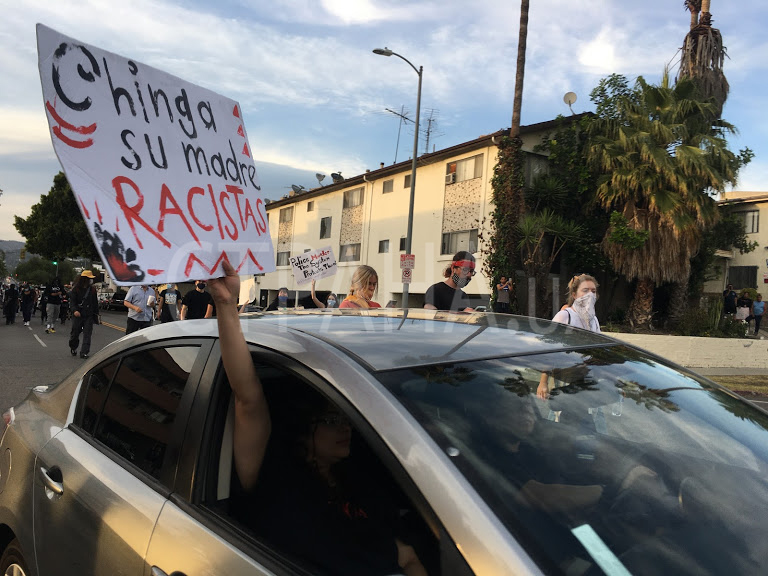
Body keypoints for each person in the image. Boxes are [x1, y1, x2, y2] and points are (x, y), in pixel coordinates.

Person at [208, 261, 426, 576]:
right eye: (331, 420)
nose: (345, 427)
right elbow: (248, 398)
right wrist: (227, 306)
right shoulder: (274, 474)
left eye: (345, 418)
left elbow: (405, 553)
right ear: (303, 425)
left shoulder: (358, 477)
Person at [538, 274, 600, 401]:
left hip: (586, 378)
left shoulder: (594, 320)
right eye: (585, 290)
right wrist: (543, 382)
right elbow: (548, 350)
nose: (590, 295)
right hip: (564, 379)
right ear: (574, 295)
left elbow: (599, 351)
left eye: (593, 291)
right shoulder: (564, 316)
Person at [68, 270, 99, 359]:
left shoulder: (92, 290)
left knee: (87, 334)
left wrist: (96, 314)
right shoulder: (76, 289)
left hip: (88, 315)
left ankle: (84, 352)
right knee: (75, 333)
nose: (90, 280)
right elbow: (72, 302)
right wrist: (74, 311)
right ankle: (73, 347)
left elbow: (95, 303)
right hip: (78, 314)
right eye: (89, 278)